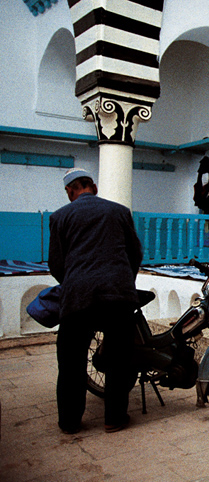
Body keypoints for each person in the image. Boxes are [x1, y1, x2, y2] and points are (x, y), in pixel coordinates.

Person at [48, 168, 143, 434]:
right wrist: (122, 281)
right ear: (94, 187)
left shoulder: (60, 216)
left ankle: (69, 422)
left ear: (70, 191)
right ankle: (114, 418)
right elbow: (135, 254)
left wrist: (75, 282)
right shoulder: (120, 211)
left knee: (70, 361)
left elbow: (56, 263)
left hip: (78, 297)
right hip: (117, 294)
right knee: (119, 358)